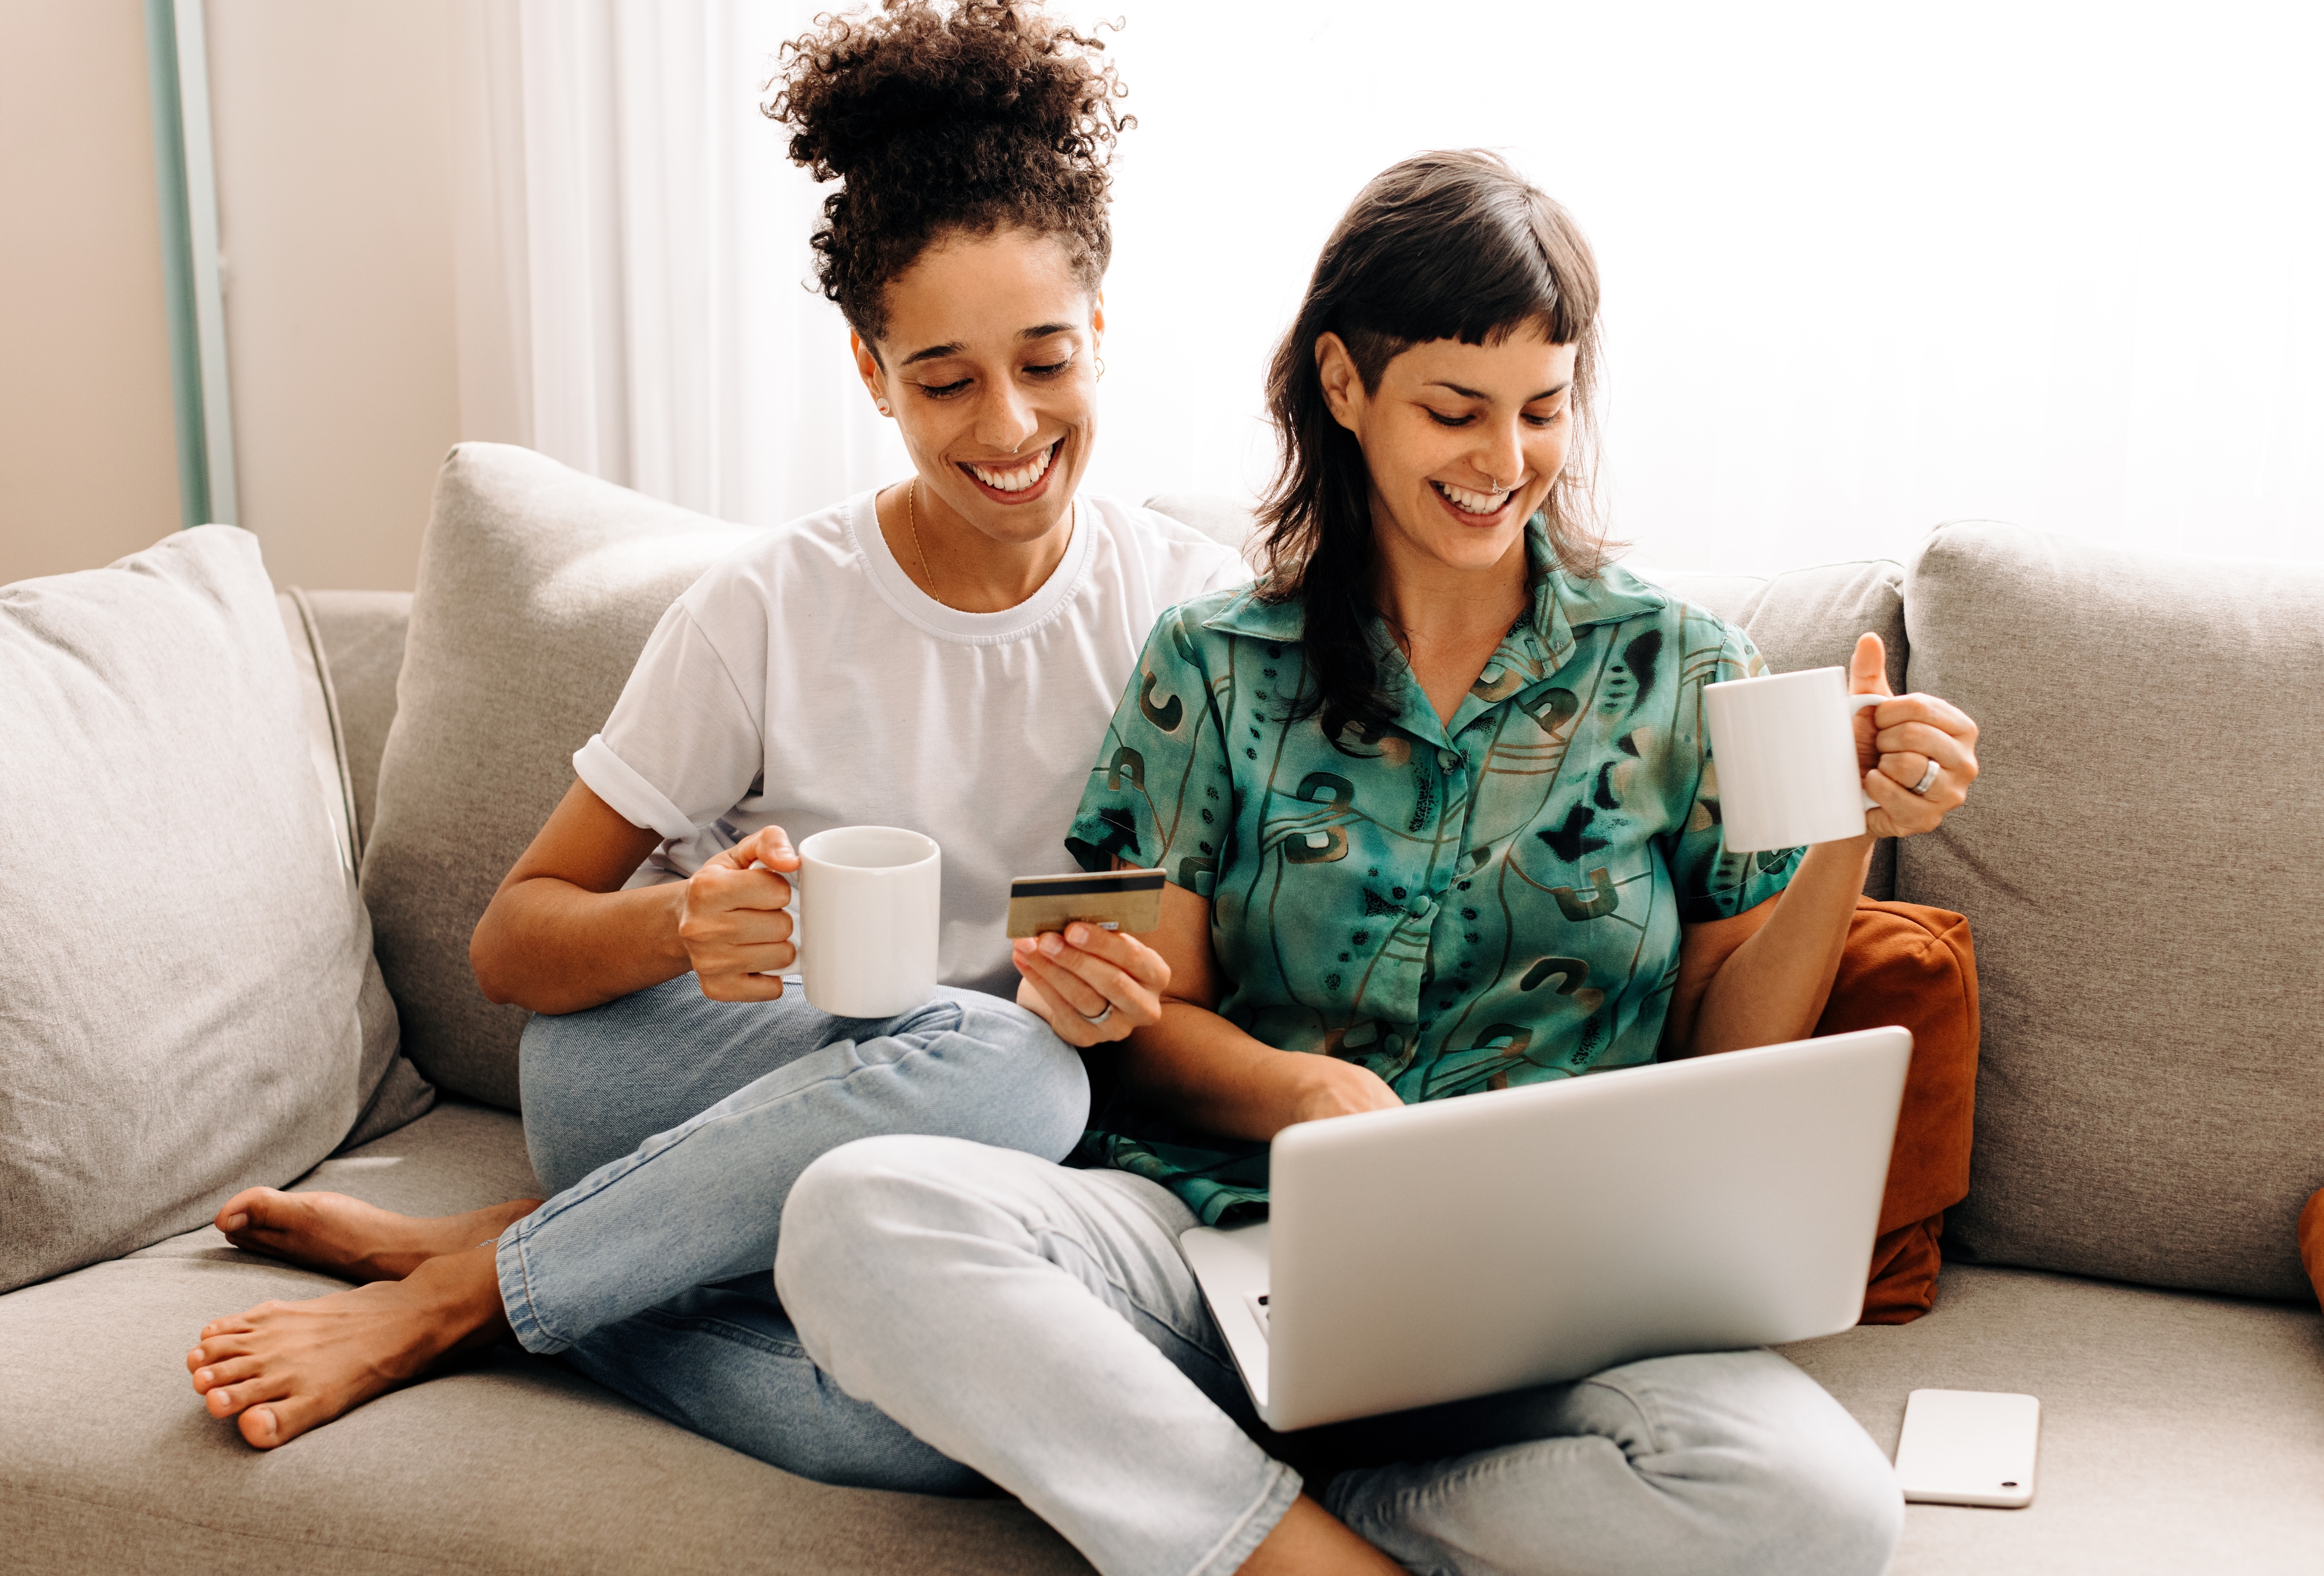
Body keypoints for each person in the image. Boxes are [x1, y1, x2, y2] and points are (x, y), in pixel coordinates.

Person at [769, 151, 1984, 1575]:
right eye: (1455, 411)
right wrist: (1302, 1094)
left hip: (1548, 1293)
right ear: (1344, 386)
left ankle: (1282, 1513)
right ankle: (1283, 1549)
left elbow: (1733, 1042)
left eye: (1542, 411)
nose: (1504, 461)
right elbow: (1145, 1033)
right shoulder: (1215, 665)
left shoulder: (1675, 670)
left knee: (1820, 1509)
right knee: (858, 1214)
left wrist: (1848, 836)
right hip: (1223, 1243)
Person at [181, 0, 1242, 1458]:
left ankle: (563, 1272)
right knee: (1012, 1070)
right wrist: (684, 925)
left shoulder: (1198, 611)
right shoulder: (770, 606)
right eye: (944, 378)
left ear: (1102, 335)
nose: (1007, 425)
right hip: (685, 1067)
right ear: (873, 374)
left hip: (953, 1146)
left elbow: (1250, 943)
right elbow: (515, 943)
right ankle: (482, 1291)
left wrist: (1155, 993)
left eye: (1047, 361)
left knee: (945, 1421)